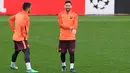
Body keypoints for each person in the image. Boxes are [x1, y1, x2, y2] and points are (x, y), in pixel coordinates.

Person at [8, 2, 38, 73]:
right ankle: (29, 69)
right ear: (28, 8)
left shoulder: (18, 14)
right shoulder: (26, 17)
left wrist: (13, 30)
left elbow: (10, 19)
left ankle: (12, 65)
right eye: (31, 8)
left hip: (15, 37)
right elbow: (22, 26)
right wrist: (24, 35)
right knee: (27, 51)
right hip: (21, 38)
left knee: (17, 51)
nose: (31, 9)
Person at [58, 1, 78, 73]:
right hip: (63, 37)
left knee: (71, 52)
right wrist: (69, 27)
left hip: (71, 37)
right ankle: (63, 65)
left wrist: (74, 29)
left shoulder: (75, 15)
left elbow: (75, 24)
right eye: (66, 5)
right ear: (64, 6)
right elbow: (60, 24)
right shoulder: (60, 14)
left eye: (69, 5)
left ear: (71, 6)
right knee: (62, 53)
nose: (68, 7)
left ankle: (72, 68)